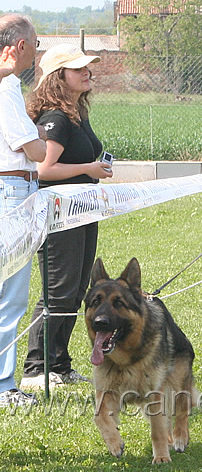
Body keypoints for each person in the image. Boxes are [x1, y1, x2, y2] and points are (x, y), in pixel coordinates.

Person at [20, 43, 113, 390]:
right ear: (59, 77)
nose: (88, 72)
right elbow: (45, 168)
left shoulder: (76, 113)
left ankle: (59, 364)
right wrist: (89, 167)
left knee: (74, 292)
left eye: (87, 66)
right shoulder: (56, 118)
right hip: (60, 214)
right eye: (79, 68)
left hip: (82, 210)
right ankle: (35, 368)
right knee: (58, 292)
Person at [0, 14, 47, 407]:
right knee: (11, 295)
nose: (38, 49)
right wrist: (38, 145)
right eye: (35, 42)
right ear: (18, 46)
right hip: (13, 189)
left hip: (14, 187)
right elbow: (32, 148)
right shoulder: (7, 88)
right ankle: (3, 386)